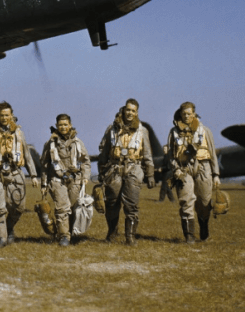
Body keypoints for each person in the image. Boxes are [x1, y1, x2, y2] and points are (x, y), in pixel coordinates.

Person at [0, 101, 39, 247]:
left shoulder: (19, 134)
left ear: (12, 115)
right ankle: (2, 238)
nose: (4, 118)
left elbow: (27, 155)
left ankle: (9, 227)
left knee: (19, 207)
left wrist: (33, 175)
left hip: (15, 172)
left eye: (7, 115)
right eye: (1, 115)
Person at [98, 98, 155, 245]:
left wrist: (150, 175)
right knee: (111, 202)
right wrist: (101, 171)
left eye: (133, 111)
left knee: (131, 203)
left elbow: (147, 154)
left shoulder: (142, 131)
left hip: (134, 168)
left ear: (136, 113)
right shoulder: (112, 129)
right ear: (123, 110)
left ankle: (130, 236)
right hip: (114, 168)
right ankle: (112, 233)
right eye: (128, 110)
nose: (130, 113)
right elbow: (104, 153)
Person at [166, 101, 220, 244]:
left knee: (204, 201)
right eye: (184, 113)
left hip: (203, 167)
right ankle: (189, 236)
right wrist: (176, 169)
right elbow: (171, 155)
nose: (186, 116)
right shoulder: (174, 132)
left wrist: (216, 175)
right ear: (180, 114)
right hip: (184, 169)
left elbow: (213, 153)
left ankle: (204, 226)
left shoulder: (205, 131)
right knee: (186, 201)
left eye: (189, 113)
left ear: (194, 114)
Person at [39, 113, 91, 247]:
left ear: (70, 125)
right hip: (57, 179)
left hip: (75, 180)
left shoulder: (78, 143)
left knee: (74, 208)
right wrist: (44, 183)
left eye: (65, 124)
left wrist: (85, 177)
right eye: (60, 125)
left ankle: (72, 233)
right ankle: (64, 237)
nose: (63, 127)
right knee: (62, 208)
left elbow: (85, 161)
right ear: (56, 126)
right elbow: (44, 165)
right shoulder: (50, 144)